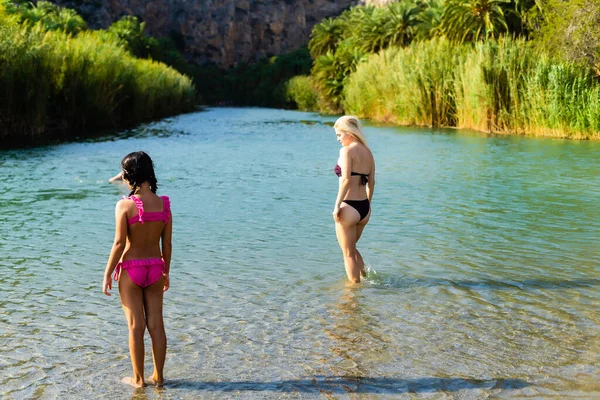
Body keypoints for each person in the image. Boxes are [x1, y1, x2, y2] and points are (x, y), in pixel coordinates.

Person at [102, 151, 172, 388]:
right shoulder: (163, 204)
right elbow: (167, 244)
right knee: (156, 325)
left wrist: (108, 273)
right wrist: (166, 271)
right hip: (155, 267)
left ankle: (139, 380)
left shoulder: (124, 205)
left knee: (135, 326)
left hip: (131, 269)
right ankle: (159, 378)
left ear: (130, 175)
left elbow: (119, 243)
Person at [332, 116, 375, 284]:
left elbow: (345, 180)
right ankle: (366, 279)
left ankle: (353, 294)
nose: (338, 139)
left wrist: (337, 206)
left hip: (349, 207)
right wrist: (367, 205)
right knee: (351, 248)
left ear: (349, 133)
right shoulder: (368, 152)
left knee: (348, 253)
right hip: (364, 208)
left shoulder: (347, 151)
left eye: (339, 135)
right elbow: (371, 182)